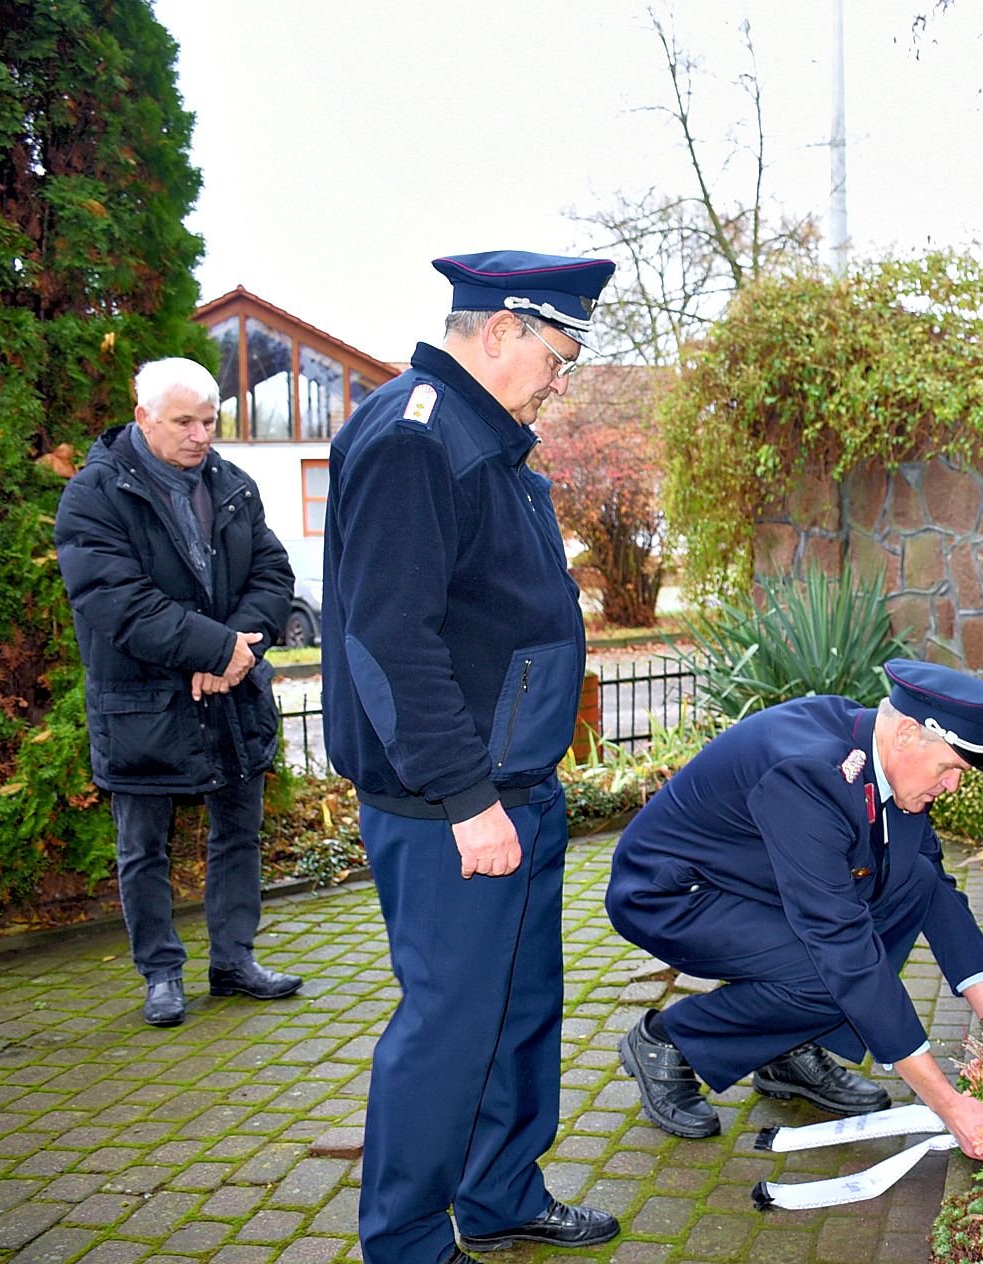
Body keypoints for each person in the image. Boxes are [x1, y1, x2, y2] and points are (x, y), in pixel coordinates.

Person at [322, 251, 620, 1264]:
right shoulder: (416, 437)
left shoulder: (479, 437)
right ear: (500, 330)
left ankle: (499, 1195)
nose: (561, 380)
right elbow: (389, 639)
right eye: (558, 356)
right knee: (449, 1031)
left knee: (519, 1014)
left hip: (514, 792)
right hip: (455, 810)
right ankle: (407, 1240)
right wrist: (465, 797)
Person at [606, 659, 983, 1159]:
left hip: (751, 883)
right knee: (827, 976)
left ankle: (783, 1051)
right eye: (949, 768)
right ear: (908, 733)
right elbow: (841, 946)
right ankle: (665, 1041)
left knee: (911, 878)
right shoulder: (810, 772)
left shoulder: (880, 754)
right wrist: (947, 1104)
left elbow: (935, 887)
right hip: (672, 895)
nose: (952, 786)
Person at [54, 357, 303, 1028]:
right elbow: (117, 601)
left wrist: (235, 653)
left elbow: (273, 575)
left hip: (232, 696)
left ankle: (235, 961)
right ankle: (161, 974)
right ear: (143, 417)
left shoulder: (233, 485)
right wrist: (216, 648)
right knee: (143, 847)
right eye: (184, 422)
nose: (200, 436)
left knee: (238, 835)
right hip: (140, 704)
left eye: (209, 421)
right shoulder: (94, 495)